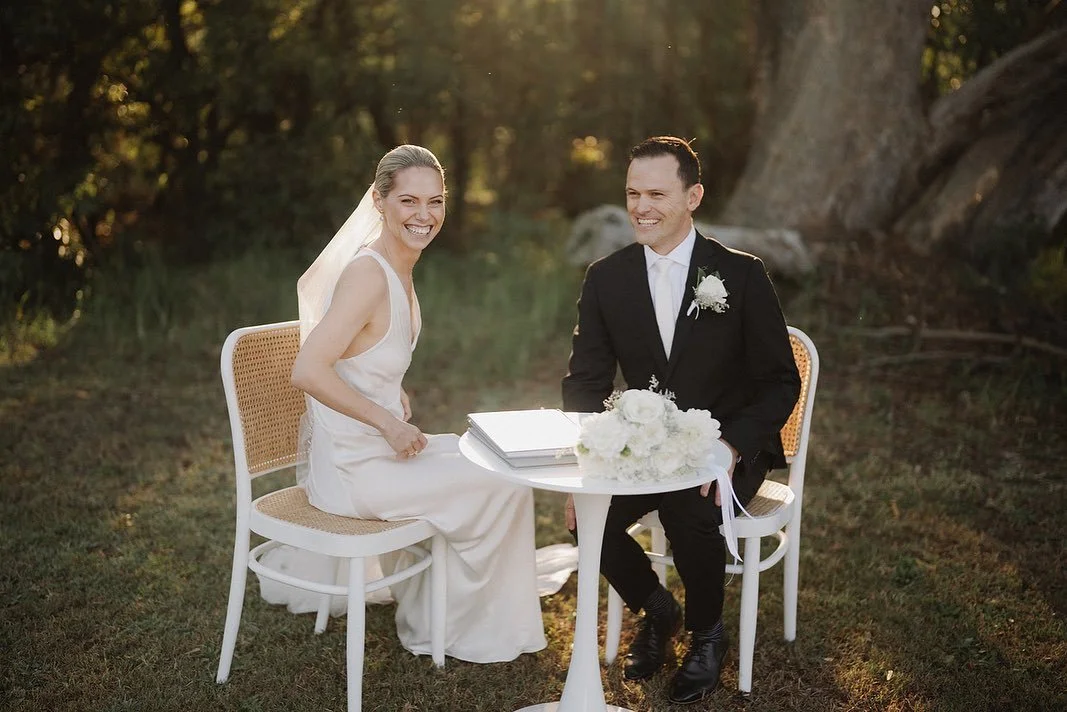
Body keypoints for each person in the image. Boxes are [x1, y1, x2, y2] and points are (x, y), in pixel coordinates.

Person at [561, 136, 800, 703]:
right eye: (632, 193)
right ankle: (659, 608)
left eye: (656, 194)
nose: (641, 207)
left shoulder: (738, 275)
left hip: (725, 444)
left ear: (693, 196)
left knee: (690, 504)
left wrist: (733, 449)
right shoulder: (605, 277)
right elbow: (586, 382)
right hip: (641, 444)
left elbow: (779, 380)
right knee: (584, 520)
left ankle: (707, 636)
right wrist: (584, 463)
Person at [287, 144, 547, 663]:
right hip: (355, 468)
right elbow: (308, 369)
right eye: (409, 201)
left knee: (500, 464)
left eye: (435, 201)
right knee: (500, 482)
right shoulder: (368, 273)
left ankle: (457, 607)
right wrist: (385, 420)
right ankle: (448, 623)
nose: (424, 215)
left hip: (378, 452)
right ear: (380, 202)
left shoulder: (399, 265)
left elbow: (361, 350)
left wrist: (387, 386)